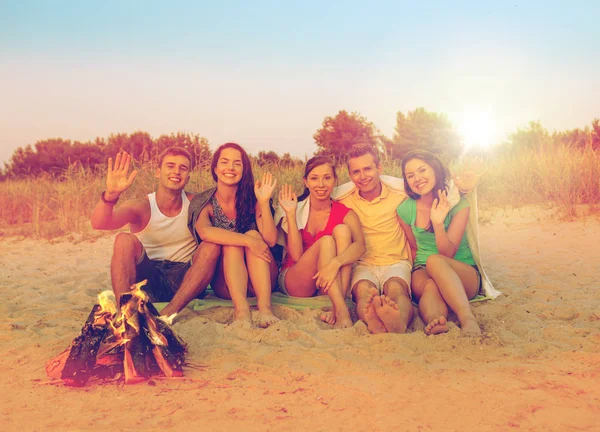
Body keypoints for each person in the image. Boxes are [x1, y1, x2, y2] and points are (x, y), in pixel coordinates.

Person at [90, 148, 221, 322]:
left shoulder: (196, 203)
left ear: (188, 177)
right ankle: (126, 315)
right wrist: (110, 196)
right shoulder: (142, 206)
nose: (176, 171)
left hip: (186, 279)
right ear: (158, 172)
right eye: (170, 166)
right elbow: (100, 223)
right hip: (148, 280)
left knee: (211, 245)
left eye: (183, 168)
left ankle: (167, 315)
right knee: (123, 239)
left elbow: (229, 216)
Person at [189, 143, 280, 328]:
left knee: (255, 233)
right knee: (232, 242)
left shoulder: (254, 198)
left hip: (261, 279)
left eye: (237, 163)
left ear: (244, 169)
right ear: (215, 168)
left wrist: (263, 202)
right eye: (224, 162)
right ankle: (242, 310)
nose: (230, 168)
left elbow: (270, 239)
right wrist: (248, 241)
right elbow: (205, 232)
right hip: (227, 284)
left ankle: (265, 308)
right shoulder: (203, 201)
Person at [397, 150, 482, 336]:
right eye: (410, 176)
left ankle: (467, 318)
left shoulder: (459, 204)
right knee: (431, 285)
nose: (417, 178)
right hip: (423, 269)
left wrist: (437, 224)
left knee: (435, 261)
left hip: (462, 271)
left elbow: (447, 253)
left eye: (422, 170)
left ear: (435, 169)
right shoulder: (405, 209)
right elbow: (413, 247)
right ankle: (435, 320)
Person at [274, 156, 366, 328]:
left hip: (327, 283)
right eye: (314, 178)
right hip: (295, 281)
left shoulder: (345, 213)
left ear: (335, 180)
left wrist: (335, 263)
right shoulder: (297, 208)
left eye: (327, 178)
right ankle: (342, 310)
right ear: (306, 182)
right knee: (326, 241)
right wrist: (291, 215)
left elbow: (360, 245)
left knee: (342, 230)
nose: (321, 184)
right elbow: (295, 255)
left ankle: (337, 304)